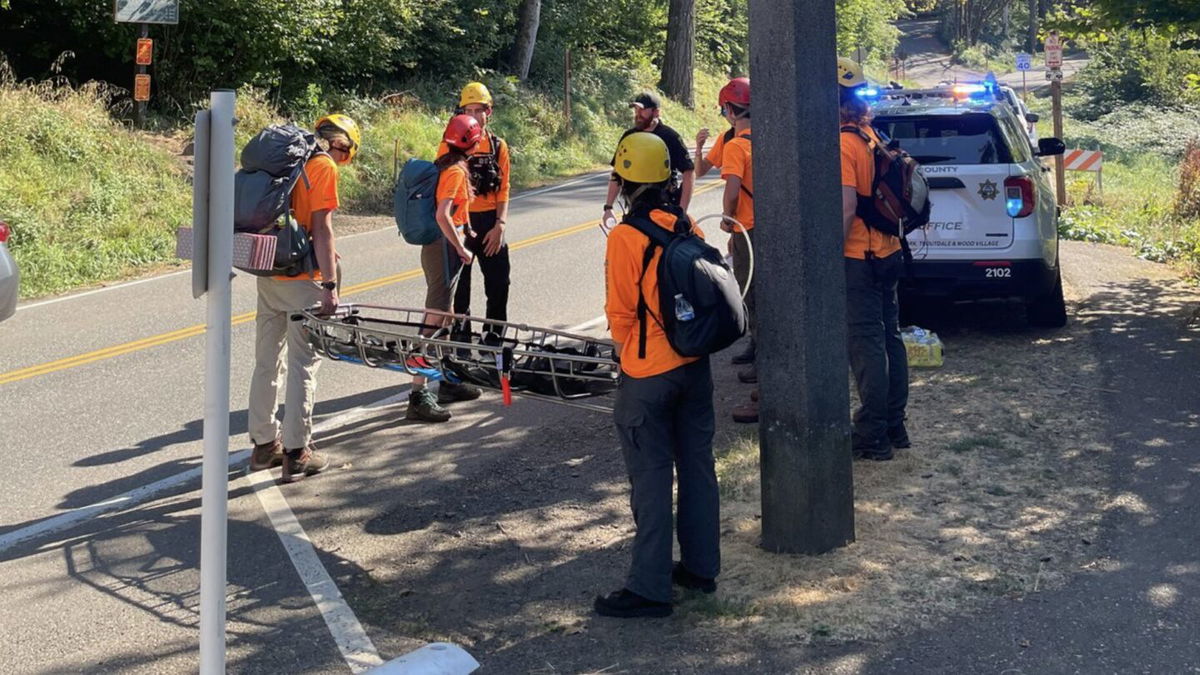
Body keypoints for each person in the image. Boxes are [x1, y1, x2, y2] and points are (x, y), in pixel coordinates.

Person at [595, 132, 719, 619]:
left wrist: (629, 363)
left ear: (626, 180)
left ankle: (649, 589)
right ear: (669, 177)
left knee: (649, 481)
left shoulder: (627, 237)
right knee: (697, 470)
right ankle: (700, 568)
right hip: (694, 365)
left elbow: (620, 314)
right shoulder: (688, 226)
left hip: (649, 373)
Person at [248, 114, 359, 483]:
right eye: (347, 155)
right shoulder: (322, 166)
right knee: (302, 365)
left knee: (267, 361)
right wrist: (330, 286)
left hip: (269, 270)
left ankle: (264, 444)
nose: (343, 162)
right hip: (302, 280)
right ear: (342, 145)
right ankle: (297, 452)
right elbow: (323, 229)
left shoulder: (287, 162)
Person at [838, 57, 910, 461]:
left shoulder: (844, 144)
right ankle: (895, 424)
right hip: (890, 251)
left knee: (865, 344)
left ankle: (871, 434)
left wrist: (832, 251)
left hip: (859, 255)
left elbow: (848, 206)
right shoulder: (871, 135)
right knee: (890, 337)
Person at [406, 114, 485, 423]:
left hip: (442, 247)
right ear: (473, 142)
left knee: (446, 316)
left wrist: (465, 231)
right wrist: (461, 246)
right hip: (442, 249)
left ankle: (448, 381)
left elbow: (453, 214)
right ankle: (417, 394)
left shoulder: (445, 164)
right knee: (433, 321)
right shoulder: (453, 171)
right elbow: (443, 215)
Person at [438, 82, 513, 335]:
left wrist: (500, 225)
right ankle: (461, 341)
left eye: (477, 110)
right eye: (466, 110)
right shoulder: (449, 143)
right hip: (460, 223)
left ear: (488, 112)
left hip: (490, 222)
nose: (471, 116)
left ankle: (493, 339)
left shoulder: (498, 146)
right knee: (460, 289)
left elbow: (504, 188)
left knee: (499, 284)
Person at [713, 78, 759, 424]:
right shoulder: (769, 136)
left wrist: (728, 220)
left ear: (730, 110)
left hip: (749, 232)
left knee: (752, 299)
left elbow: (731, 190)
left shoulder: (736, 146)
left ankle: (766, 373)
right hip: (772, 228)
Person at [602, 91, 695, 230]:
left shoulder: (670, 137)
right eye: (636, 109)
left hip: (665, 208)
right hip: (636, 210)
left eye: (643, 110)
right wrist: (608, 207)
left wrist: (682, 210)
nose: (638, 114)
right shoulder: (629, 137)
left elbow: (688, 172)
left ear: (656, 112)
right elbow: (618, 172)